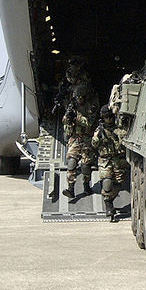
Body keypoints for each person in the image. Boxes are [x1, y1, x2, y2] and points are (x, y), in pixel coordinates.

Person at [60, 57, 99, 200]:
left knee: (85, 166)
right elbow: (65, 120)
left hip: (87, 137)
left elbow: (89, 122)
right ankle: (70, 189)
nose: (79, 99)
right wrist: (68, 118)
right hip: (75, 137)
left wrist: (75, 117)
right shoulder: (72, 101)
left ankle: (86, 185)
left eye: (80, 97)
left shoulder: (91, 103)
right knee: (71, 162)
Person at [91, 105, 130, 220]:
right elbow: (94, 145)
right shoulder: (99, 130)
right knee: (107, 182)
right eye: (106, 117)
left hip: (119, 160)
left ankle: (110, 199)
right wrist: (98, 136)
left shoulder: (120, 127)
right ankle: (109, 206)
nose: (109, 119)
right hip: (105, 160)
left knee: (118, 182)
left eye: (110, 116)